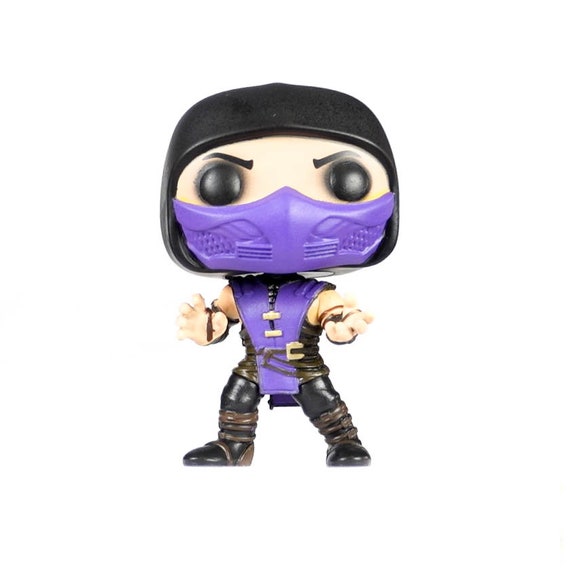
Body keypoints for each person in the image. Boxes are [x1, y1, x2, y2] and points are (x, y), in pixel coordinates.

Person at [160, 83, 399, 466]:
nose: (287, 209)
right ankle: (233, 444)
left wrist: (342, 325)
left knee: (323, 402)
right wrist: (207, 325)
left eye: (348, 179)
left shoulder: (318, 294)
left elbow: (333, 315)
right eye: (220, 184)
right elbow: (219, 321)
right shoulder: (236, 294)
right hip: (255, 365)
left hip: (304, 366)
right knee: (236, 397)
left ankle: (344, 442)